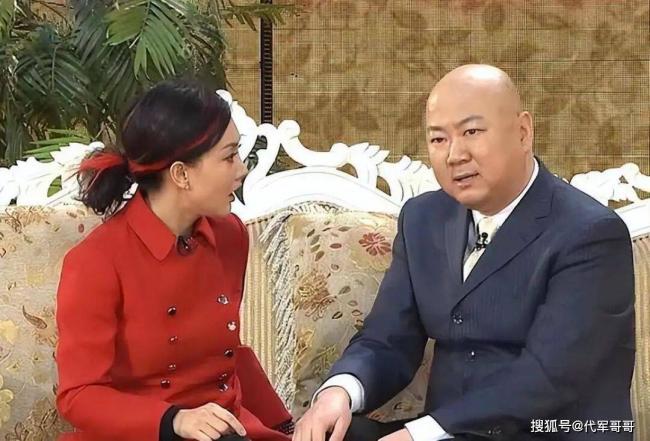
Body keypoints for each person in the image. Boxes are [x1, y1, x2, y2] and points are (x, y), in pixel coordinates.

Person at [293, 64, 635, 441]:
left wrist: (417, 434)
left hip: (546, 432)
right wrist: (339, 392)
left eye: (471, 132)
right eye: (439, 139)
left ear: (523, 132)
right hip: (447, 432)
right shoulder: (423, 219)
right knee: (335, 434)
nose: (455, 154)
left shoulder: (589, 233)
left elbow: (547, 377)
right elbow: (387, 338)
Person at [55, 79, 292, 441]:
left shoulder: (230, 235)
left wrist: (285, 425)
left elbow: (226, 355)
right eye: (229, 157)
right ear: (181, 174)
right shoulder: (95, 263)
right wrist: (174, 421)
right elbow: (79, 395)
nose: (242, 170)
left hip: (228, 431)